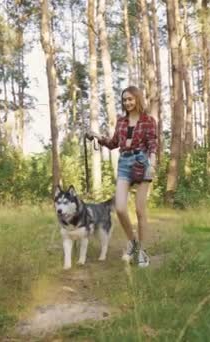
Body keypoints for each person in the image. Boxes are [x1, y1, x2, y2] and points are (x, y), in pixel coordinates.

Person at [87, 86, 157, 268]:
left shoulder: (148, 120)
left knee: (141, 210)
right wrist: (97, 137)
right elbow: (113, 144)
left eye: (130, 99)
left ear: (138, 99)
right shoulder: (121, 122)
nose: (127, 102)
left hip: (142, 162)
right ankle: (132, 242)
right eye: (125, 100)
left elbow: (152, 144)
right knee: (119, 208)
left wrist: (153, 163)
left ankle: (142, 251)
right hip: (125, 163)